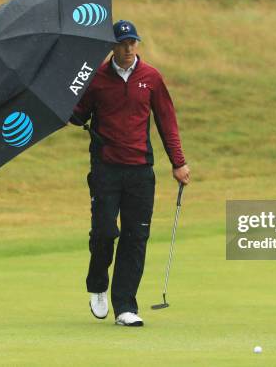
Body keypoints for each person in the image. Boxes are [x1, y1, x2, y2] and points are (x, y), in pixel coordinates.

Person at [70, 20, 190, 327]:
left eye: (132, 42)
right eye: (122, 43)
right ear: (111, 46)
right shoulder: (95, 79)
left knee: (136, 238)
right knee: (104, 232)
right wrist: (62, 100)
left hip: (140, 171)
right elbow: (78, 115)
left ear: (137, 44)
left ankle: (125, 306)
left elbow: (167, 121)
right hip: (106, 170)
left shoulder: (150, 78)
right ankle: (97, 283)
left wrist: (178, 162)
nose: (128, 48)